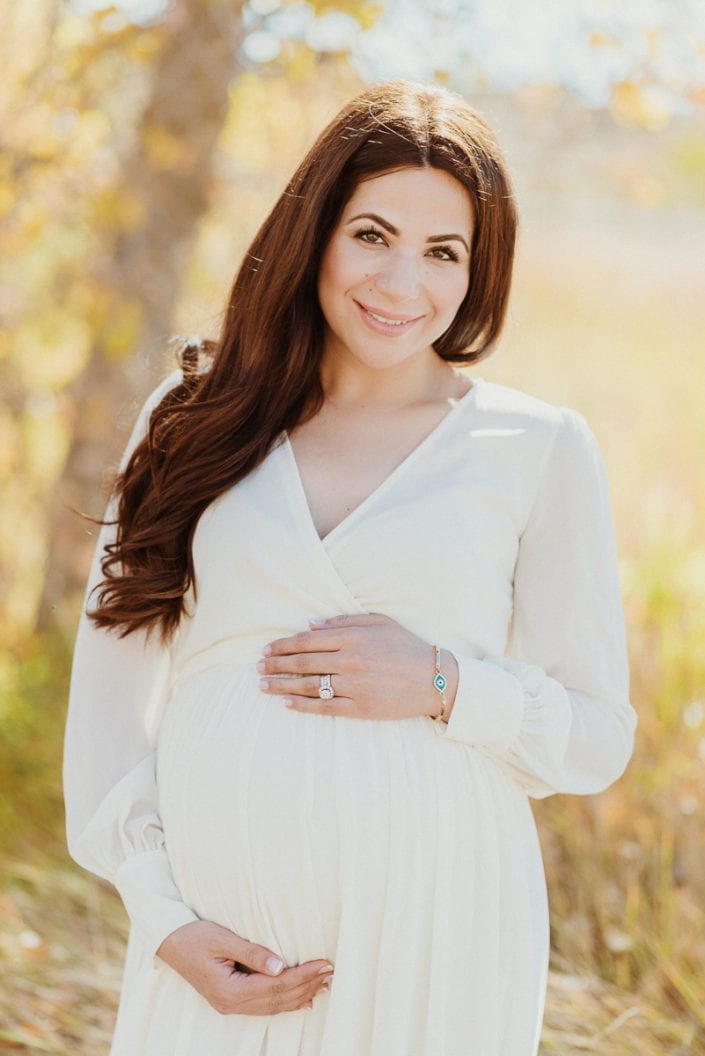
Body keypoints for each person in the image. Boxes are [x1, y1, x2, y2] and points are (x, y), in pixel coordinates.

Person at [63, 80, 636, 1056]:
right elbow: (109, 709)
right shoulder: (192, 414)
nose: (401, 283)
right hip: (218, 951)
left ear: (478, 271)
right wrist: (165, 920)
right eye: (373, 234)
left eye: (442, 252)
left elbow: (595, 736)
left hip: (437, 944)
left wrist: (446, 685)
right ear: (314, 233)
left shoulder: (533, 447)